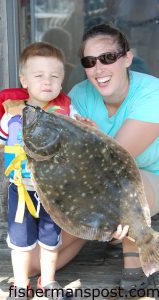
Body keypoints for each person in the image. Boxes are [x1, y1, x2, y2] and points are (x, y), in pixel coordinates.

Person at [0, 42, 83, 300]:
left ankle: (48, 283)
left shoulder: (68, 112)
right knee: (20, 242)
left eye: (55, 76)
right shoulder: (12, 114)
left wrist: (82, 127)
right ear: (24, 80)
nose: (47, 81)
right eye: (39, 76)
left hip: (53, 190)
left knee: (51, 241)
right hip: (21, 190)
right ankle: (20, 284)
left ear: (62, 81)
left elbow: (79, 141)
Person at [68, 23, 159, 293]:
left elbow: (117, 161)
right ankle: (109, 235)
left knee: (125, 181)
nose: (98, 69)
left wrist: (93, 142)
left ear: (127, 58)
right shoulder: (78, 95)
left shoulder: (152, 92)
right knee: (39, 260)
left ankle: (135, 251)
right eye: (89, 61)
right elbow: (74, 162)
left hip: (149, 181)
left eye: (108, 58)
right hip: (96, 192)